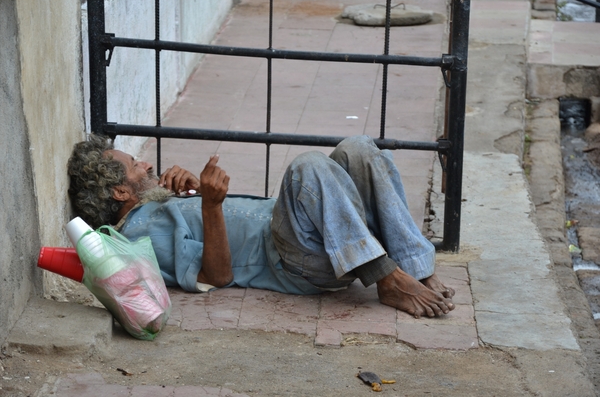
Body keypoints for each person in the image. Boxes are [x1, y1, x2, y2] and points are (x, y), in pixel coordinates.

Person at [68, 134, 455, 318]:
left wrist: (201, 192)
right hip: (292, 261)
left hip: (310, 233)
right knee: (307, 166)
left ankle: (417, 268)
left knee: (357, 148)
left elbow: (217, 217)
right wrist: (211, 204)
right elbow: (216, 276)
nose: (147, 165)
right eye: (136, 165)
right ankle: (386, 278)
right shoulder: (138, 232)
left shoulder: (159, 202)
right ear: (120, 192)